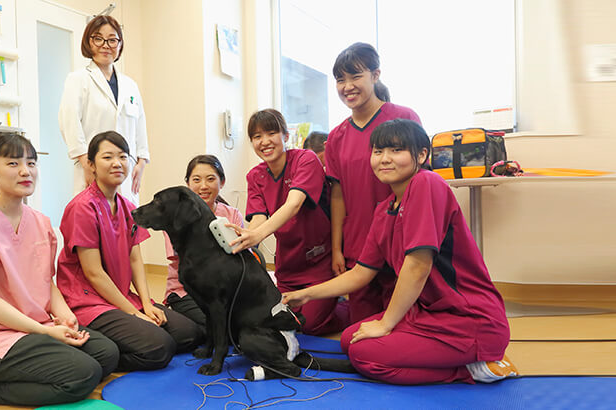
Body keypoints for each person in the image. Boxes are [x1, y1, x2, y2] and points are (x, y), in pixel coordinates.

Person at [282, 119, 515, 385]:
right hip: (428, 314)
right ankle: (464, 362)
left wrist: (386, 324)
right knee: (349, 339)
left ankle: (473, 369)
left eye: (396, 150)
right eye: (378, 151)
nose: (384, 159)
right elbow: (360, 273)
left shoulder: (427, 184)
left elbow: (417, 266)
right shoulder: (384, 209)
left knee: (364, 354)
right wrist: (306, 294)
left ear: (422, 155)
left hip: (469, 319)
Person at [0, 134, 119, 406]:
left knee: (106, 353)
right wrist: (44, 332)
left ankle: (18, 372)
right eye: (13, 164)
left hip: (34, 326)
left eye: (31, 163)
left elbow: (47, 282)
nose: (25, 171)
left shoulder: (40, 222)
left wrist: (65, 317)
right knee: (83, 374)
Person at [57, 131, 203, 371]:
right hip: (88, 301)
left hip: (122, 296)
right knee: (160, 348)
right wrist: (134, 315)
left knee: (190, 334)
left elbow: (135, 259)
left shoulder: (126, 206)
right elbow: (93, 273)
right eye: (108, 157)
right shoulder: (82, 208)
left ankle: (129, 332)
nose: (117, 163)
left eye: (123, 156)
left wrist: (146, 304)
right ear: (91, 165)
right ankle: (102, 354)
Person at [325, 42, 422, 324]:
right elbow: (338, 196)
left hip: (401, 243)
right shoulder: (337, 137)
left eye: (355, 76)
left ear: (375, 75)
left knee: (403, 328)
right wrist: (336, 249)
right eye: (340, 79)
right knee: (357, 337)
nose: (347, 86)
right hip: (358, 245)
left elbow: (419, 185)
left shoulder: (404, 118)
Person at [227, 109, 348, 336]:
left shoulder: (305, 159)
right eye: (257, 137)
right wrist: (245, 237)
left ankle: (345, 306)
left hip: (320, 262)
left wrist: (256, 235)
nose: (264, 142)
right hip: (288, 267)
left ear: (285, 135)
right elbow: (259, 218)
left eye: (271, 133)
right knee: (282, 320)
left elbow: (293, 205)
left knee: (309, 325)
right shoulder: (255, 176)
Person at [58, 15, 150, 205]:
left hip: (126, 169)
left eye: (112, 39)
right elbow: (69, 122)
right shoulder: (78, 79)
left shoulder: (130, 85)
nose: (105, 45)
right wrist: (86, 163)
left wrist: (141, 162)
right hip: (93, 167)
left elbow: (140, 125)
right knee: (94, 221)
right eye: (98, 38)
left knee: (126, 222)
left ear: (120, 44)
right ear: (88, 42)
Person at [163, 155, 245, 328]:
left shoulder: (232, 215)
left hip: (225, 290)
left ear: (221, 182)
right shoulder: (175, 217)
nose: (203, 186)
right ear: (188, 184)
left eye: (210, 179)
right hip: (185, 291)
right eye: (196, 180)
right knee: (223, 326)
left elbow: (241, 256)